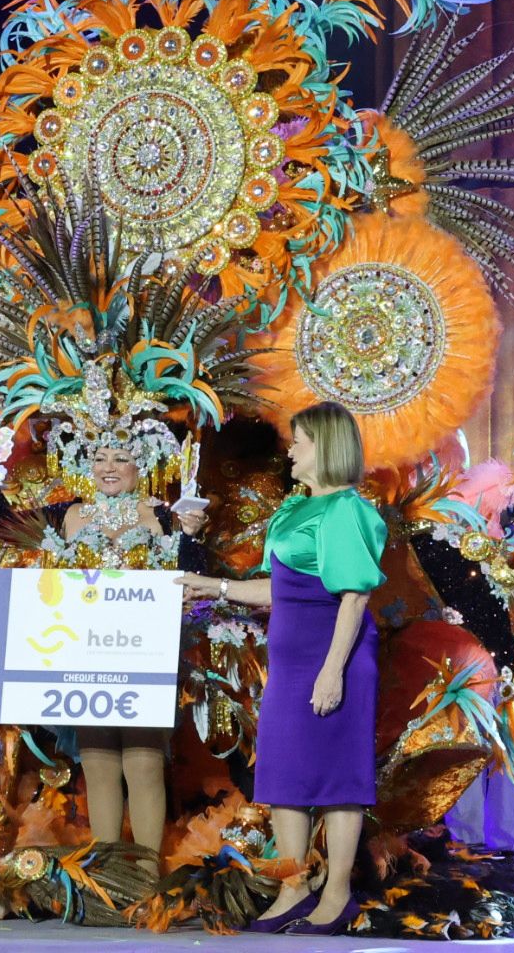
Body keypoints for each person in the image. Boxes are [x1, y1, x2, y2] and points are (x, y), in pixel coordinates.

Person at [0, 376, 207, 864]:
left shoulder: (167, 516)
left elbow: (195, 580)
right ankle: (113, 871)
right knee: (97, 762)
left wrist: (192, 537)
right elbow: (7, 527)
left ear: (143, 464)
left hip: (143, 656)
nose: (108, 467)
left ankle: (148, 871)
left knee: (144, 762)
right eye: (99, 458)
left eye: (120, 458)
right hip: (85, 656)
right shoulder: (66, 515)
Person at [178, 401, 386, 935]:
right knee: (284, 774)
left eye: (299, 441)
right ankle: (295, 885)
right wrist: (215, 586)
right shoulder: (293, 510)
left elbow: (354, 598)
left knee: (338, 779)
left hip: (333, 655)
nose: (290, 450)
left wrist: (333, 670)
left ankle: (337, 892)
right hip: (291, 659)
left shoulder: (347, 510)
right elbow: (278, 588)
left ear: (327, 447)